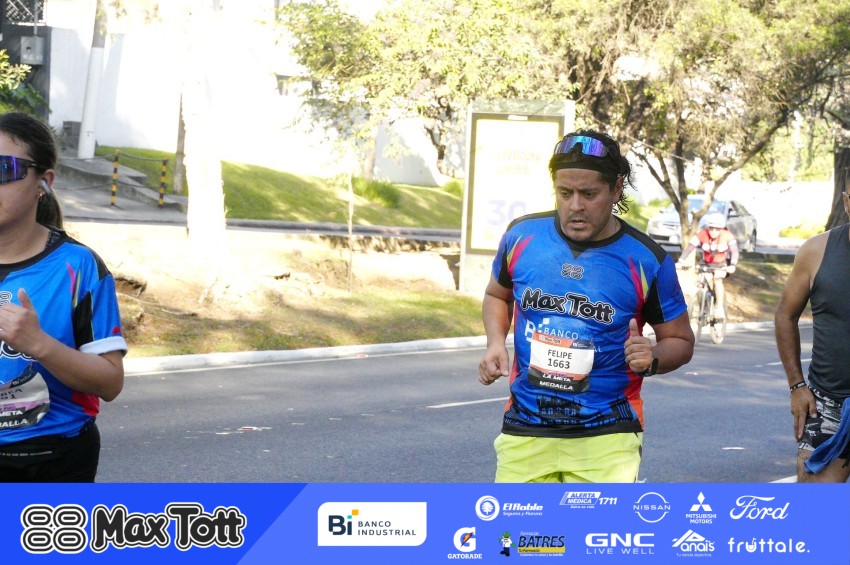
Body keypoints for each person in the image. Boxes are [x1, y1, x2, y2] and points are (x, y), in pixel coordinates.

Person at [478, 129, 694, 483]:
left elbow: (681, 341)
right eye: (565, 193)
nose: (575, 206)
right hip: (525, 427)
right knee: (518, 523)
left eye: (589, 194)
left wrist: (653, 357)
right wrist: (494, 343)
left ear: (616, 188)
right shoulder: (521, 237)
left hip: (607, 436)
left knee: (590, 524)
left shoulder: (647, 260)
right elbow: (496, 295)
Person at [0, 112, 126, 482]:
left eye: (3, 169)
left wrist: (38, 344)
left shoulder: (78, 267)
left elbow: (110, 383)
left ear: (44, 182)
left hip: (49, 462)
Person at [775, 187, 850, 483]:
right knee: (814, 502)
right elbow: (785, 314)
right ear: (846, 201)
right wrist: (797, 386)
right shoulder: (816, 251)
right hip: (827, 402)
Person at [677, 212, 739, 319]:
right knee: (702, 281)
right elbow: (690, 247)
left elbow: (734, 251)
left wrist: (733, 264)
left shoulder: (727, 235)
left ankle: (719, 307)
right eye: (711, 228)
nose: (714, 231)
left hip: (721, 264)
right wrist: (680, 261)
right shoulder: (702, 234)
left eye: (717, 229)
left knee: (717, 279)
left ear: (722, 228)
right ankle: (703, 306)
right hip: (706, 263)